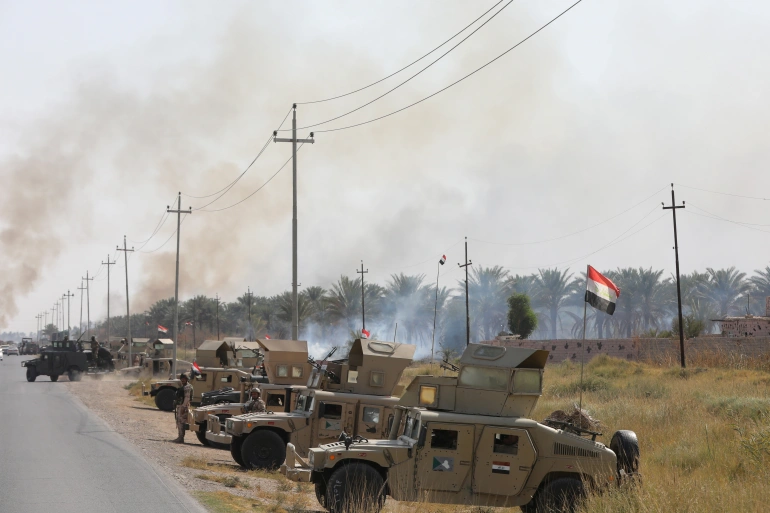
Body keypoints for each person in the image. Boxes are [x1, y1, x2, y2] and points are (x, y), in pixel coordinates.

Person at [172, 373, 194, 443]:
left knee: (181, 422)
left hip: (183, 406)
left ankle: (181, 438)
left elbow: (187, 398)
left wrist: (183, 407)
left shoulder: (187, 387)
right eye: (181, 379)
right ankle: (180, 437)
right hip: (181, 406)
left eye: (184, 379)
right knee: (179, 422)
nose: (182, 380)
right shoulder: (184, 386)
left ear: (186, 379)